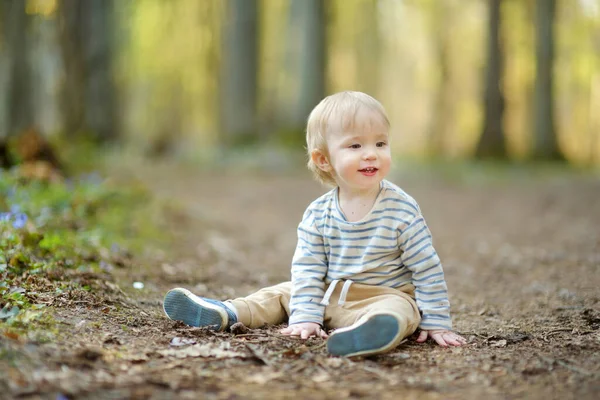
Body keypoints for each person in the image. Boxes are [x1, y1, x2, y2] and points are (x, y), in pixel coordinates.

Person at [163, 91, 466, 357]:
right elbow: (308, 268)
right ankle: (225, 312)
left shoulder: (402, 209)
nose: (371, 153)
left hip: (385, 296)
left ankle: (367, 334)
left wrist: (436, 321)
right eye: (355, 146)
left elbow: (426, 268)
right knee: (284, 292)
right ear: (324, 160)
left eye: (380, 143)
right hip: (328, 294)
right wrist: (306, 316)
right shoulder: (317, 215)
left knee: (401, 311)